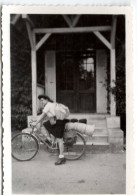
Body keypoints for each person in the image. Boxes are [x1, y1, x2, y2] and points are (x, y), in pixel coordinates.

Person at [31, 95, 67, 165]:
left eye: (42, 100)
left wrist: (35, 122)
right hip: (55, 121)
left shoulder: (48, 105)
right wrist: (36, 121)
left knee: (60, 140)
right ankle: (50, 139)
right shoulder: (50, 105)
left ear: (46, 99)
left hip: (59, 122)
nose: (41, 102)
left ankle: (61, 157)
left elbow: (42, 115)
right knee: (46, 124)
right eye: (40, 101)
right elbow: (43, 116)